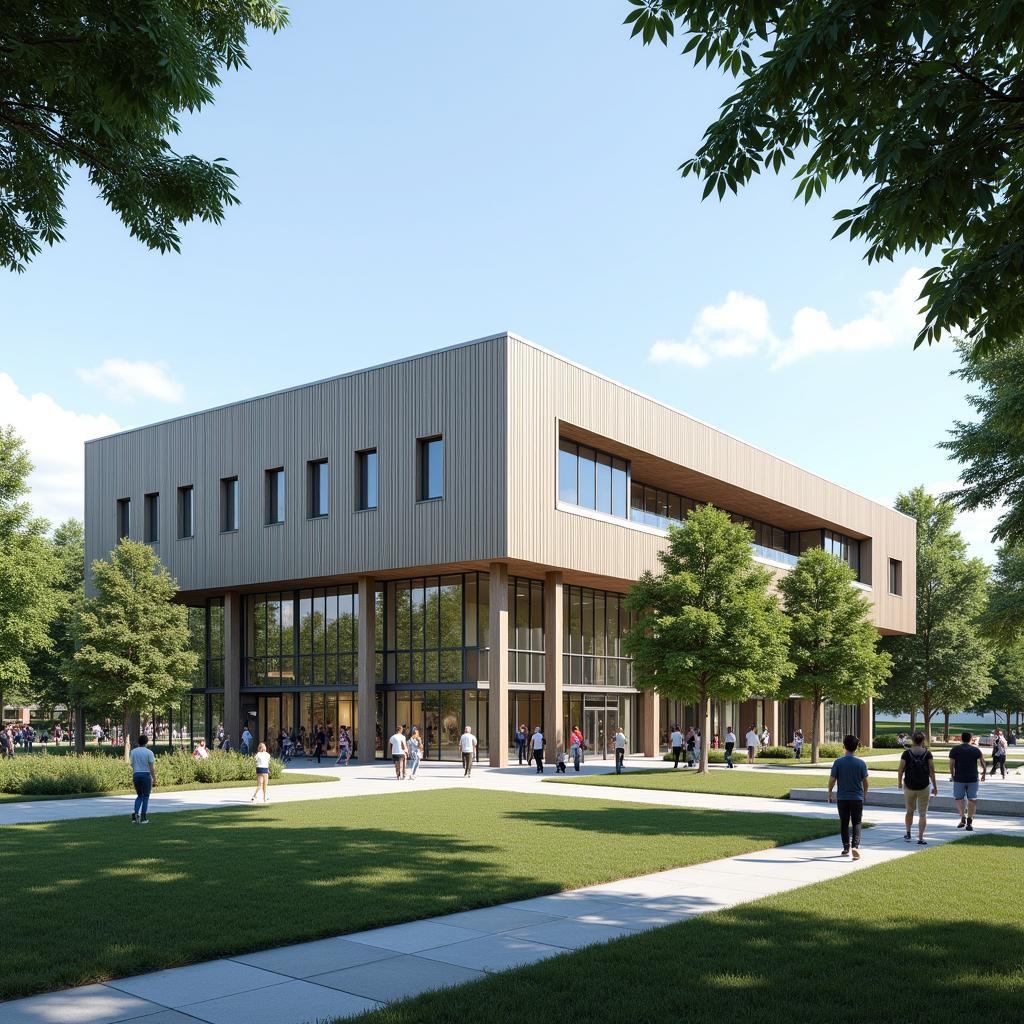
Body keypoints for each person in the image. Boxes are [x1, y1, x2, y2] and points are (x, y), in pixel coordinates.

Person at [827, 734, 868, 859]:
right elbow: (865, 782)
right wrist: (865, 794)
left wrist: (829, 792)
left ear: (844, 746)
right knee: (856, 822)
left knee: (844, 822)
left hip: (842, 798)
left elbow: (832, 779)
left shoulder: (838, 762)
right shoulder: (861, 763)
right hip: (857, 797)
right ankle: (855, 846)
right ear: (856, 748)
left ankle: (846, 847)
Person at [897, 730, 937, 844]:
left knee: (909, 811)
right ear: (923, 740)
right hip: (924, 786)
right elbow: (932, 771)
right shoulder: (927, 753)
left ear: (913, 740)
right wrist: (935, 786)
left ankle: (908, 833)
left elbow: (900, 770)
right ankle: (920, 837)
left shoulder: (906, 753)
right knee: (923, 813)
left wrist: (900, 783)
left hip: (909, 786)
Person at [949, 731, 987, 831]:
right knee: (972, 799)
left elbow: (951, 764)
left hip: (959, 778)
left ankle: (962, 817)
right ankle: (969, 820)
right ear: (971, 739)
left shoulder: (955, 749)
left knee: (958, 798)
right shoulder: (975, 750)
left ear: (961, 738)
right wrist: (984, 773)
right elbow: (983, 762)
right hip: (973, 778)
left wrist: (952, 775)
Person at [130, 733, 157, 824]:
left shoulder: (133, 752)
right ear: (146, 742)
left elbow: (132, 764)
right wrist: (154, 778)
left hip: (136, 774)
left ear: (138, 742)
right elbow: (151, 767)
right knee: (146, 796)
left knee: (139, 795)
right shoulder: (149, 752)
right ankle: (143, 817)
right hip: (146, 775)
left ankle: (135, 815)